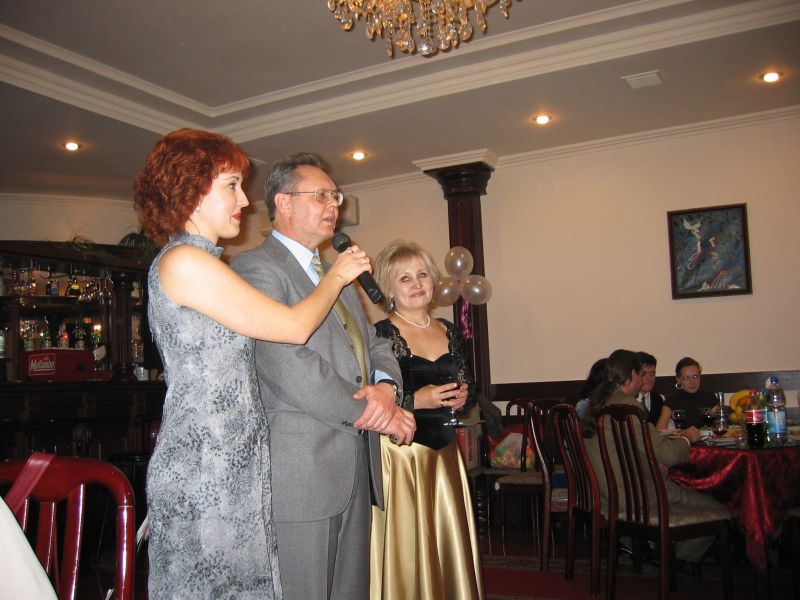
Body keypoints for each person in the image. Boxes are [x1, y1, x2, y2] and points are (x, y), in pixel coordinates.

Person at [134, 130, 372, 599]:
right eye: (231, 185)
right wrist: (337, 276)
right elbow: (293, 329)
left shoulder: (205, 263)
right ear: (190, 188)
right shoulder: (184, 261)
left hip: (236, 451)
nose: (245, 199)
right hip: (205, 457)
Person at [230, 153, 415, 600]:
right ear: (284, 203)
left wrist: (387, 390)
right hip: (302, 469)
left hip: (355, 463)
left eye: (336, 196)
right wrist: (376, 414)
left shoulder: (336, 273)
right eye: (321, 196)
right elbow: (287, 363)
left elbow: (375, 344)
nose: (334, 205)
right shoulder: (256, 268)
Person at [371, 240, 484, 600]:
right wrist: (416, 400)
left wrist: (464, 395)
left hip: (445, 453)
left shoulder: (449, 329)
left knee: (446, 544)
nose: (417, 284)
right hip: (402, 456)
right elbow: (368, 396)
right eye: (404, 278)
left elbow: (467, 385)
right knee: (408, 547)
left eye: (422, 275)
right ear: (389, 289)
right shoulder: (381, 334)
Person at [584, 349, 724, 570]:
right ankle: (677, 559)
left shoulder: (597, 404)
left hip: (606, 495)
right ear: (633, 374)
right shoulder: (628, 408)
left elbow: (623, 451)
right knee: (722, 510)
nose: (645, 378)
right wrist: (687, 437)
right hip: (638, 497)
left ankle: (660, 551)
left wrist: (650, 463)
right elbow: (669, 454)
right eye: (642, 373)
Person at [656, 356, 719, 430]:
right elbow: (660, 431)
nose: (692, 382)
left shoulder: (710, 398)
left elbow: (720, 426)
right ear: (678, 380)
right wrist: (683, 433)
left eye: (695, 376)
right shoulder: (671, 401)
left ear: (700, 377)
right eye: (686, 378)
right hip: (681, 437)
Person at [636, 351, 665, 426]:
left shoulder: (660, 399)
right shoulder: (626, 401)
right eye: (644, 374)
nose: (649, 379)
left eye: (652, 373)